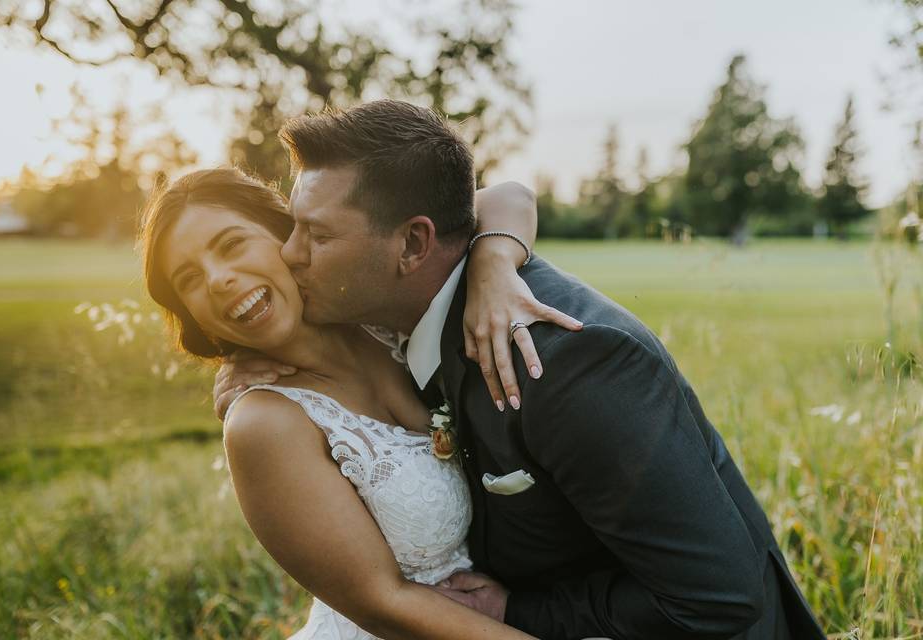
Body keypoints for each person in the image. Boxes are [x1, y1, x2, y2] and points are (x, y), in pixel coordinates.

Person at [214, 100, 827, 639]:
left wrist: (521, 612)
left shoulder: (573, 368)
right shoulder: (407, 311)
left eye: (315, 234)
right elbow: (500, 198)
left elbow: (717, 598)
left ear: (411, 246)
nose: (289, 254)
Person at [140, 165, 579, 639]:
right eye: (189, 279)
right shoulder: (262, 424)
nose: (218, 279)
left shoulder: (381, 313)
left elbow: (509, 196)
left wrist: (492, 265)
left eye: (231, 245)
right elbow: (383, 605)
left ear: (288, 233)